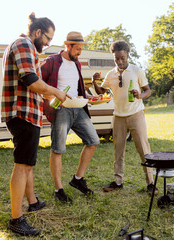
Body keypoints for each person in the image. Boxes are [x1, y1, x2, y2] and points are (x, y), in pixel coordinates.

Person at [1, 13, 70, 236]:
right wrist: (56, 91)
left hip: (28, 112)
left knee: (27, 163)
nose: (49, 43)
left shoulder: (26, 46)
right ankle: (16, 219)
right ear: (38, 32)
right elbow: (30, 80)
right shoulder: (23, 43)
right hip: (21, 112)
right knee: (22, 165)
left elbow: (32, 81)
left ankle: (32, 203)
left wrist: (49, 96)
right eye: (48, 38)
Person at [92, 40, 158, 196]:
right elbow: (101, 92)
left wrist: (140, 95)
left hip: (136, 114)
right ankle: (118, 181)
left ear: (127, 55)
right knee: (118, 151)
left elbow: (147, 90)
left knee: (143, 149)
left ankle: (150, 183)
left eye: (122, 58)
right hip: (118, 116)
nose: (120, 61)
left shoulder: (137, 71)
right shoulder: (111, 74)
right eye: (117, 59)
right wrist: (94, 81)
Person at [41, 31, 100, 203]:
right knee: (58, 149)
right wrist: (50, 98)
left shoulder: (77, 64)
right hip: (61, 109)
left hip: (78, 107)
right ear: (68, 46)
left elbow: (77, 87)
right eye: (78, 49)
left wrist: (88, 97)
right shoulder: (52, 61)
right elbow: (38, 83)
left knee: (93, 141)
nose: (80, 52)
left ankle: (78, 179)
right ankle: (58, 189)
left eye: (82, 48)